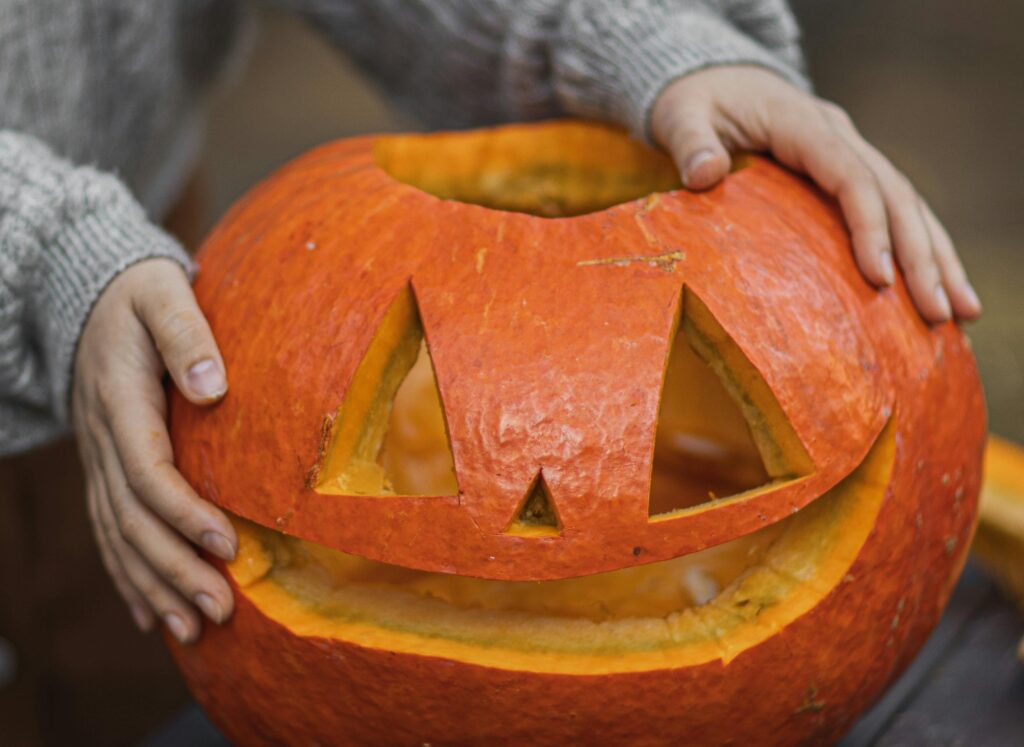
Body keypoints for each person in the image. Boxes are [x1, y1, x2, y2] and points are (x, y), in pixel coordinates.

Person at [0, 0, 981, 647]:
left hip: (140, 309)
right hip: (110, 310)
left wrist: (624, 36)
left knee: (118, 668)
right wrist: (46, 255)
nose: (542, 503)